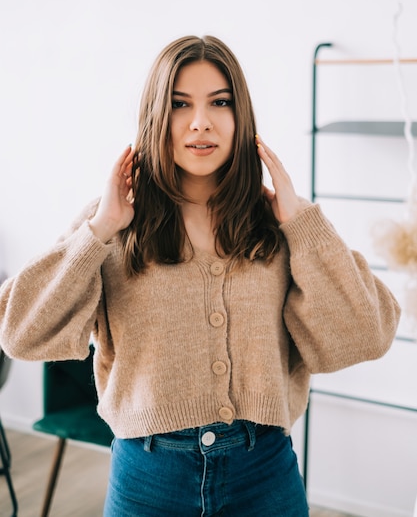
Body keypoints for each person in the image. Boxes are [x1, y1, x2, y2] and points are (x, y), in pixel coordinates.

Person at [0, 35, 401, 516]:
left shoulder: (284, 223)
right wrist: (100, 229)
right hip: (148, 479)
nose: (201, 122)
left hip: (264, 472)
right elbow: (21, 335)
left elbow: (366, 335)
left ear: (241, 116)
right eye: (180, 104)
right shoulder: (111, 222)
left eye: (220, 102)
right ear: (156, 116)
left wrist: (303, 225)